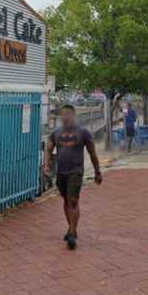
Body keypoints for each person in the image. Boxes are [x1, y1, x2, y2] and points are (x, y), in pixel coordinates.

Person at [44, 104, 103, 250]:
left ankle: (71, 233)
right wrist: (46, 166)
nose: (66, 117)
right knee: (66, 200)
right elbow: (48, 149)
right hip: (61, 172)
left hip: (76, 171)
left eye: (68, 114)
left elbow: (92, 153)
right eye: (63, 115)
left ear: (74, 115)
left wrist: (97, 171)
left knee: (73, 200)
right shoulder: (56, 133)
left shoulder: (83, 132)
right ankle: (72, 228)